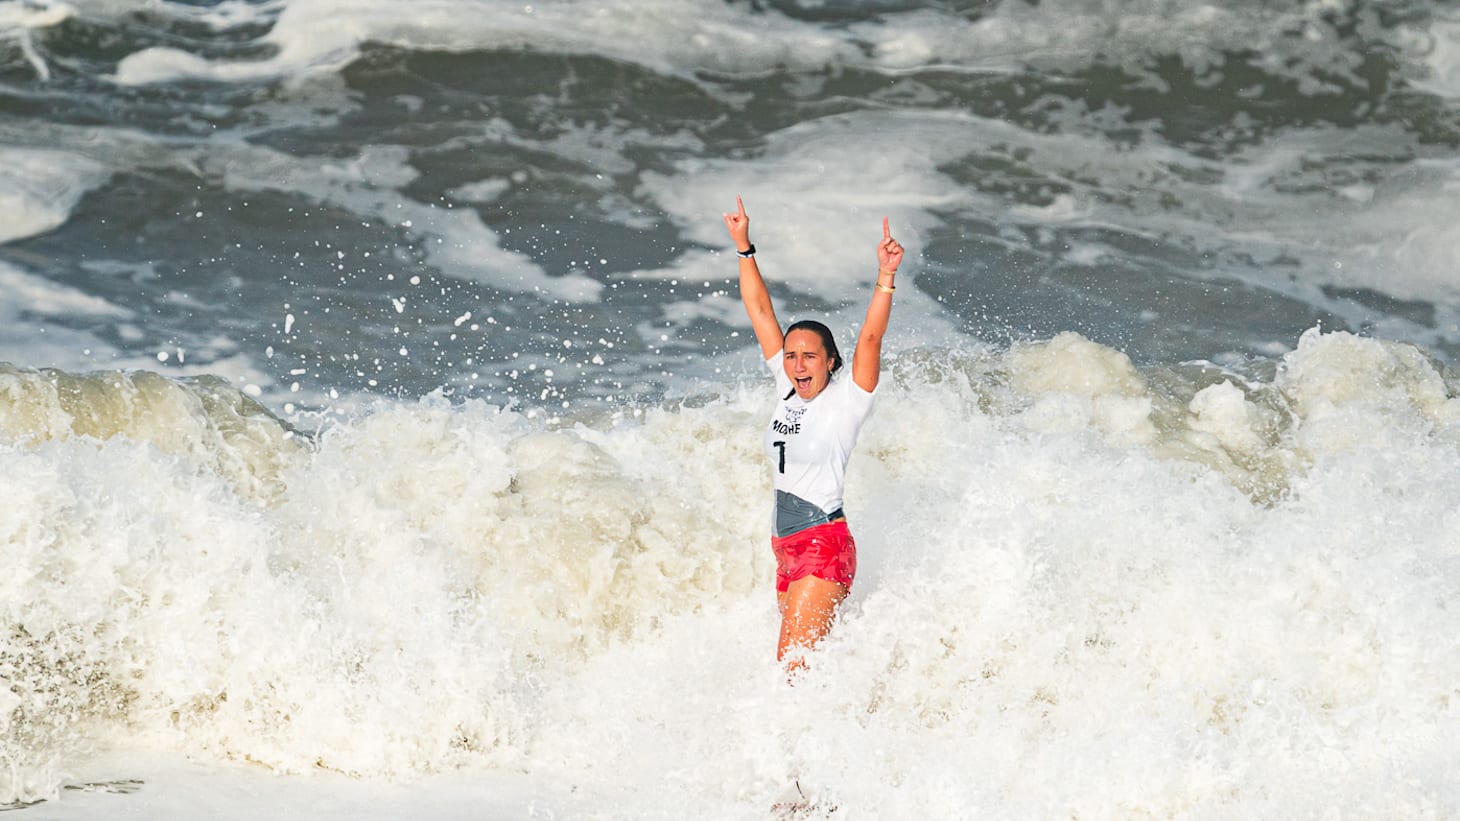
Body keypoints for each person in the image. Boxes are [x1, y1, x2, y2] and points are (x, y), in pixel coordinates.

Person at [722, 196, 902, 670]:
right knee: (806, 672)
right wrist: (744, 247)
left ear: (830, 363)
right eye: (791, 355)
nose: (797, 364)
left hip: (823, 544)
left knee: (791, 673)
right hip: (785, 549)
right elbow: (760, 311)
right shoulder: (786, 389)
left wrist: (885, 277)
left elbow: (870, 338)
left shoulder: (846, 402)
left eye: (809, 356)